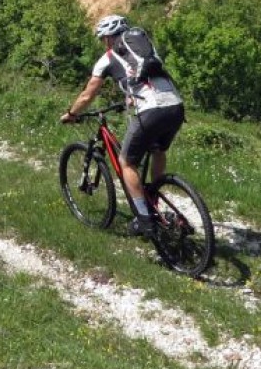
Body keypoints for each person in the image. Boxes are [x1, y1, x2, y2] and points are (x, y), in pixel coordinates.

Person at [59, 13, 185, 238]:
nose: (103, 43)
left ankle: (144, 220)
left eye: (103, 39)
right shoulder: (147, 49)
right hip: (175, 106)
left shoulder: (107, 58)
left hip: (150, 109)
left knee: (126, 162)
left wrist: (71, 114)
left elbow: (88, 94)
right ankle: (153, 196)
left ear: (108, 38)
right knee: (158, 150)